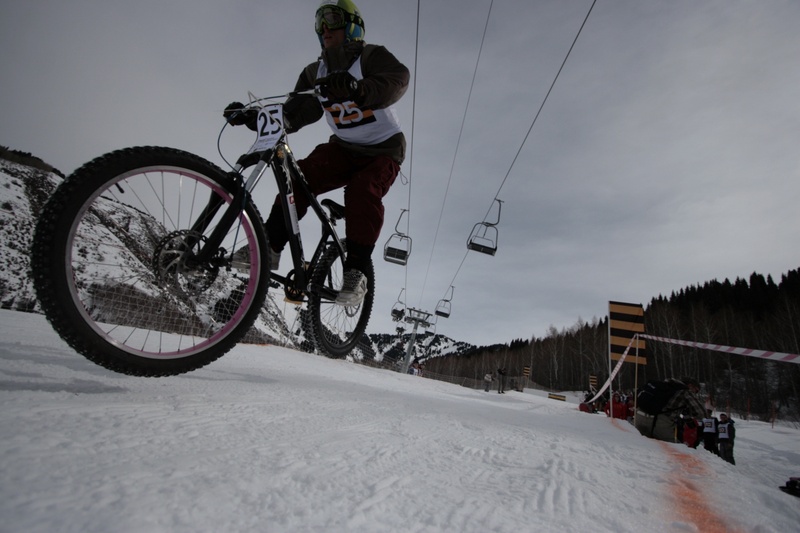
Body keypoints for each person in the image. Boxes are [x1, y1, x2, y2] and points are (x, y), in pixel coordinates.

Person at [225, 0, 409, 306]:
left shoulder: (371, 57)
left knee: (363, 192)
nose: (324, 29)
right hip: (344, 148)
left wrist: (358, 89)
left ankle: (356, 271)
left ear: (351, 25)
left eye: (332, 20)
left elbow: (397, 80)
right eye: (319, 22)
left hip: (383, 150)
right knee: (297, 176)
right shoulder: (316, 72)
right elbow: (295, 113)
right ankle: (269, 246)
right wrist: (255, 118)